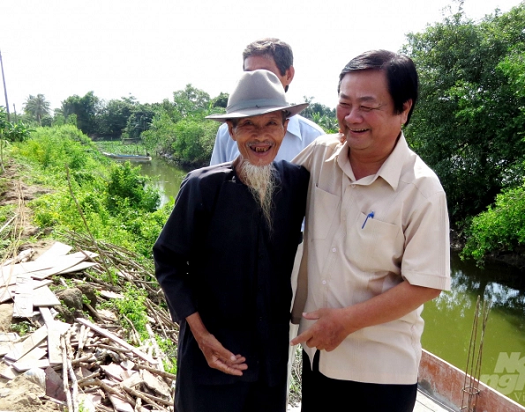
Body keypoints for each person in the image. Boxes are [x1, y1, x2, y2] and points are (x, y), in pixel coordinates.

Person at [290, 50, 451, 412]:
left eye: (367, 106)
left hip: (378, 374)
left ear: (403, 109)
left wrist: (345, 322)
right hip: (317, 357)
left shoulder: (422, 189)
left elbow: (426, 284)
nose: (351, 118)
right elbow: (268, 196)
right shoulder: (320, 155)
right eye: (344, 103)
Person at [153, 69, 310, 412]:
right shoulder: (202, 187)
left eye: (271, 123)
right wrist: (201, 337)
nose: (261, 136)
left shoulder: (298, 183)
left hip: (268, 364)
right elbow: (169, 263)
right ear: (231, 130)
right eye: (249, 125)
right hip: (212, 358)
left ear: (286, 126)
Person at [210, 38, 324, 165]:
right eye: (248, 74)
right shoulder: (224, 133)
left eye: (266, 73)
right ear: (232, 131)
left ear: (289, 75)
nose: (255, 81)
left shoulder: (315, 139)